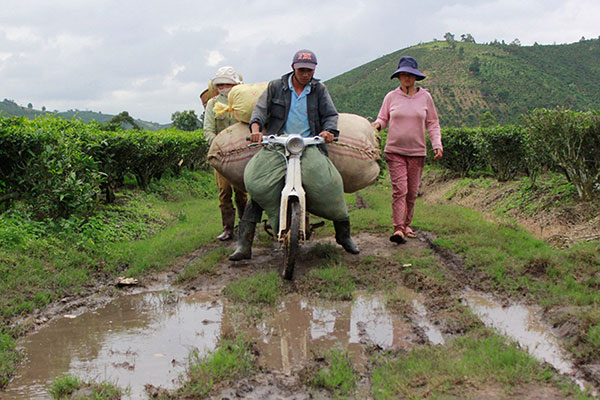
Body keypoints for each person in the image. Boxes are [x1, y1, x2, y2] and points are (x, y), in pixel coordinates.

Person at [229, 49, 359, 261]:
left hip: (308, 145)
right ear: (293, 68)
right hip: (278, 144)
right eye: (301, 70)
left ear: (314, 70)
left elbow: (330, 115)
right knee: (259, 185)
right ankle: (244, 245)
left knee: (331, 184)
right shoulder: (275, 87)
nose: (305, 74)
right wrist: (255, 130)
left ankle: (344, 236)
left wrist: (328, 132)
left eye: (309, 70)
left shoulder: (319, 89)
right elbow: (259, 112)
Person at [371, 56, 443, 244]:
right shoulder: (391, 97)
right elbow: (383, 118)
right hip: (395, 150)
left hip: (417, 152)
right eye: (403, 75)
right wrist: (377, 125)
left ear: (416, 77)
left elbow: (432, 123)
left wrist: (437, 144)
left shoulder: (425, 98)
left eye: (410, 75)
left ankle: (407, 224)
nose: (407, 78)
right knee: (400, 190)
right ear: (399, 77)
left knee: (412, 192)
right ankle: (398, 228)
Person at [203, 66, 247, 241]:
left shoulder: (241, 102)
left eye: (227, 84)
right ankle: (228, 228)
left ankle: (245, 225)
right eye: (220, 84)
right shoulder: (213, 104)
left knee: (242, 192)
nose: (223, 87)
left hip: (241, 154)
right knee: (224, 192)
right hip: (221, 156)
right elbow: (208, 130)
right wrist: (218, 146)